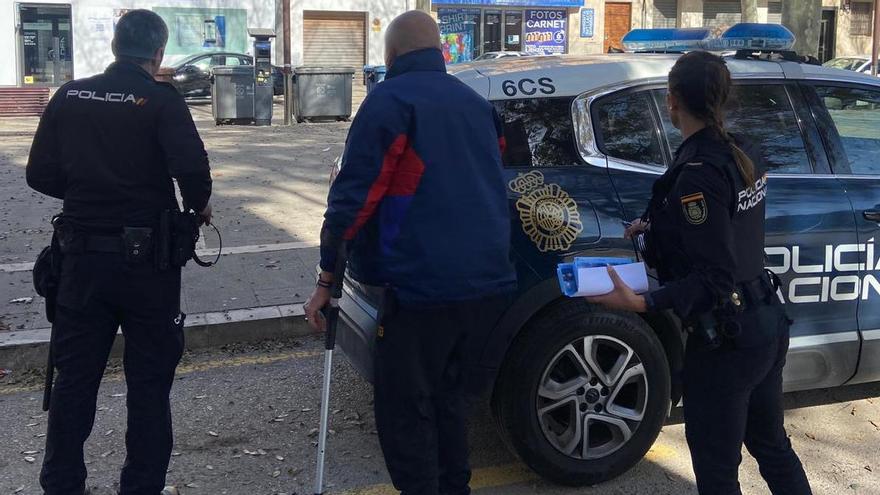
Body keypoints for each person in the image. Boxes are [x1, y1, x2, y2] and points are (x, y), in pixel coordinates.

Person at [303, 10, 517, 495]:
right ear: (440, 51)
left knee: (406, 412)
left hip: (420, 287)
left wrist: (326, 281)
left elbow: (353, 202)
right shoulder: (476, 104)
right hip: (487, 286)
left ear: (391, 55)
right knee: (451, 404)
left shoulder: (390, 101)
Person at [586, 51, 812, 495]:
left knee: (716, 470)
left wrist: (642, 301)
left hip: (727, 342)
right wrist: (659, 224)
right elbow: (727, 226)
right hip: (764, 323)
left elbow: (715, 277)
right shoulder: (742, 150)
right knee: (772, 447)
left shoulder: (697, 174)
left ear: (672, 101)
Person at [26, 10, 212, 495]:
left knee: (74, 382)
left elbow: (38, 175)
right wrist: (196, 210)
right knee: (149, 386)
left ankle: (62, 484)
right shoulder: (161, 100)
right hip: (146, 268)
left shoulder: (70, 95)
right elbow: (193, 171)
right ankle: (141, 486)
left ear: (113, 46)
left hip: (81, 263)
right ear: (158, 54)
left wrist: (89, 191)